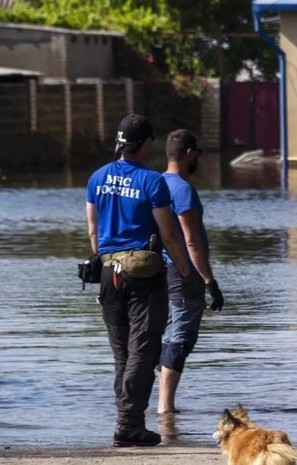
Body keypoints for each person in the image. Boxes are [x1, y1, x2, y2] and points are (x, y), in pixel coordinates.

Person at [86, 114, 192, 447]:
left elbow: (93, 230)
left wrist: (107, 258)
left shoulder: (96, 177)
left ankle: (126, 421)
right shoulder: (151, 181)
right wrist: (185, 271)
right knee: (142, 354)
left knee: (122, 355)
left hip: (108, 274)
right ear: (145, 144)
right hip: (143, 278)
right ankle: (130, 425)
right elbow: (170, 234)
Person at [157, 129, 224, 415]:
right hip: (182, 272)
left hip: (162, 272)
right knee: (181, 336)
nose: (197, 158)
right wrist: (210, 281)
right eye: (197, 153)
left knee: (169, 333)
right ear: (189, 154)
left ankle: (162, 405)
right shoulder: (182, 189)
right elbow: (191, 240)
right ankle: (165, 407)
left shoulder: (156, 182)